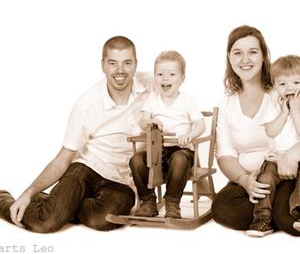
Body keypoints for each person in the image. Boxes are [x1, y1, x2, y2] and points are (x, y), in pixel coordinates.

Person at [0, 36, 150, 232]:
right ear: (103, 65)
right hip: (86, 170)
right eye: (112, 63)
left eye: (127, 63)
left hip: (121, 182)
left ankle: (59, 203)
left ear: (136, 64)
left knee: (102, 220)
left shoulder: (153, 86)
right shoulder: (87, 105)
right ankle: (4, 200)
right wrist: (28, 193)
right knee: (47, 221)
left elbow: (181, 113)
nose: (120, 70)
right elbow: (63, 158)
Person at [211, 25, 300, 236]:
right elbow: (225, 153)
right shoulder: (227, 102)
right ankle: (271, 214)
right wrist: (245, 180)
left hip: (286, 173)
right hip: (252, 178)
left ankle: (276, 214)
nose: (245, 59)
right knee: (222, 207)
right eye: (237, 53)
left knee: (285, 215)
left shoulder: (282, 90)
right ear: (229, 58)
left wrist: (291, 154)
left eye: (252, 51)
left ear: (263, 56)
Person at [129, 51, 205, 218]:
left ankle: (172, 203)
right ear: (155, 77)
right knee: (136, 160)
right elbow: (143, 121)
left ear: (182, 78)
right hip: (157, 153)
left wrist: (190, 135)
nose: (165, 78)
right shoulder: (152, 100)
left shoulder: (187, 101)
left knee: (179, 158)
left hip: (182, 151)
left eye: (172, 74)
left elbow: (201, 125)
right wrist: (150, 121)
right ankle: (148, 202)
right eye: (160, 74)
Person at [246, 55, 300, 237]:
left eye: (296, 82)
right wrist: (285, 113)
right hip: (275, 158)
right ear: (275, 86)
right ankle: (262, 219)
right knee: (265, 179)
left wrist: (296, 110)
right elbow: (271, 131)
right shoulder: (273, 106)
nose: (290, 88)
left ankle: (298, 213)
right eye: (283, 84)